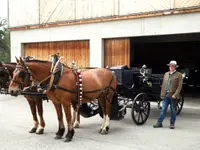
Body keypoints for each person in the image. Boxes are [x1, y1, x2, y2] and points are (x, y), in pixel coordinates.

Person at [153, 60, 183, 129]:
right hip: (166, 95)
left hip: (173, 96)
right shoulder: (166, 74)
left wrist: (175, 95)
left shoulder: (179, 75)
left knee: (173, 110)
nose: (171, 67)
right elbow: (163, 85)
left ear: (175, 67)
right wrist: (162, 94)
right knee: (163, 109)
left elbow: (179, 86)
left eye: (172, 66)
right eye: (170, 66)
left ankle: (172, 123)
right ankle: (159, 123)